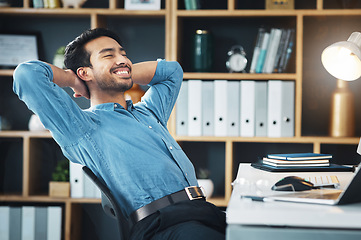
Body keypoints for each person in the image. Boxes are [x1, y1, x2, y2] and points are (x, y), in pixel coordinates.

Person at [13, 28, 226, 239]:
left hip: (202, 211)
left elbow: (172, 72)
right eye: (109, 55)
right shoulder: (83, 127)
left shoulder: (149, 112)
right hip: (164, 226)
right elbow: (26, 76)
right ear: (85, 72)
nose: (123, 59)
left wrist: (123, 70)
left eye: (123, 54)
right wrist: (72, 79)